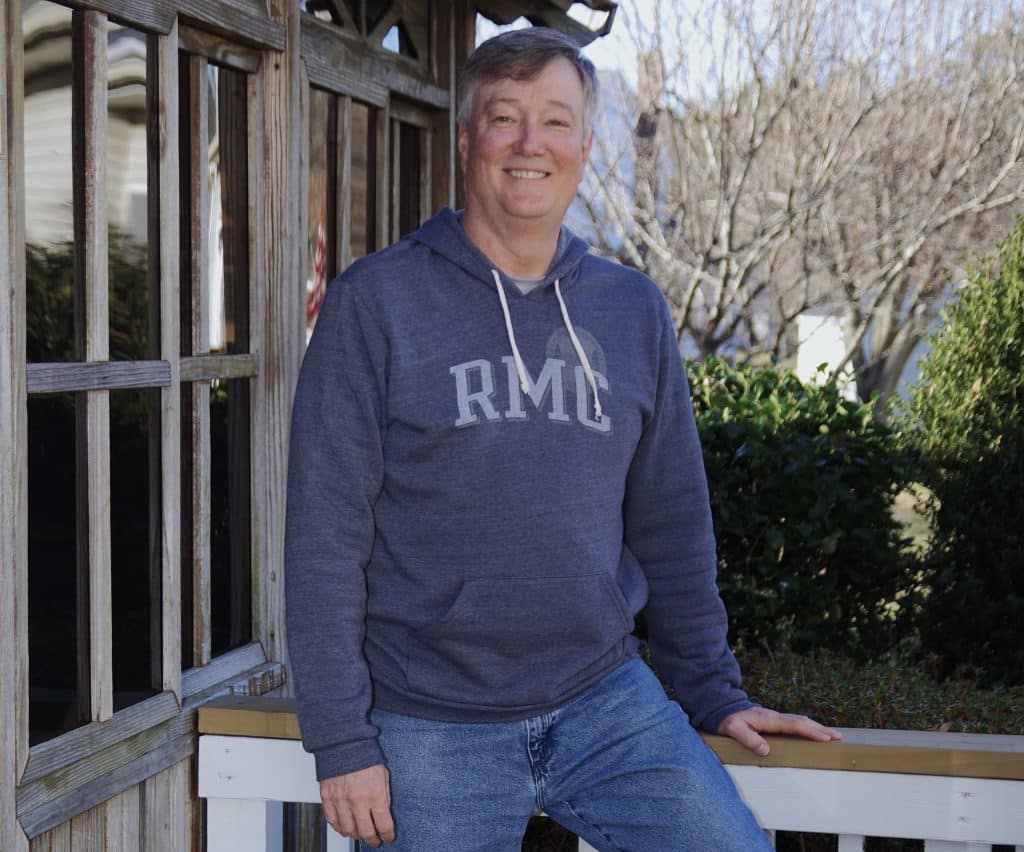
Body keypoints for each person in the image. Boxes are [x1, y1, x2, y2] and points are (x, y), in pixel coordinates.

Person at [285, 28, 841, 851]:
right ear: (467, 140)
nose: (529, 143)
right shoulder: (377, 303)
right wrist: (340, 738)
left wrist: (712, 691)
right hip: (433, 720)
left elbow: (673, 522)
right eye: (504, 118)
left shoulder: (631, 309)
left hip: (607, 703)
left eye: (554, 120)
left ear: (584, 143)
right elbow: (324, 534)